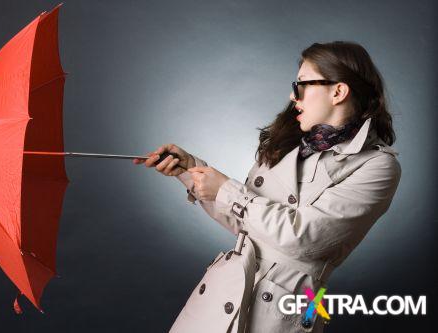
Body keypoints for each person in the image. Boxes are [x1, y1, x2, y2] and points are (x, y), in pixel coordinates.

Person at [133, 40, 401, 333]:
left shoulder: (377, 166)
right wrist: (189, 171)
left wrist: (226, 190)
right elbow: (246, 224)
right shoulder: (287, 142)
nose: (292, 94)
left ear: (338, 91)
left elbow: (306, 239)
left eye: (301, 85)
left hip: (285, 310)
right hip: (222, 293)